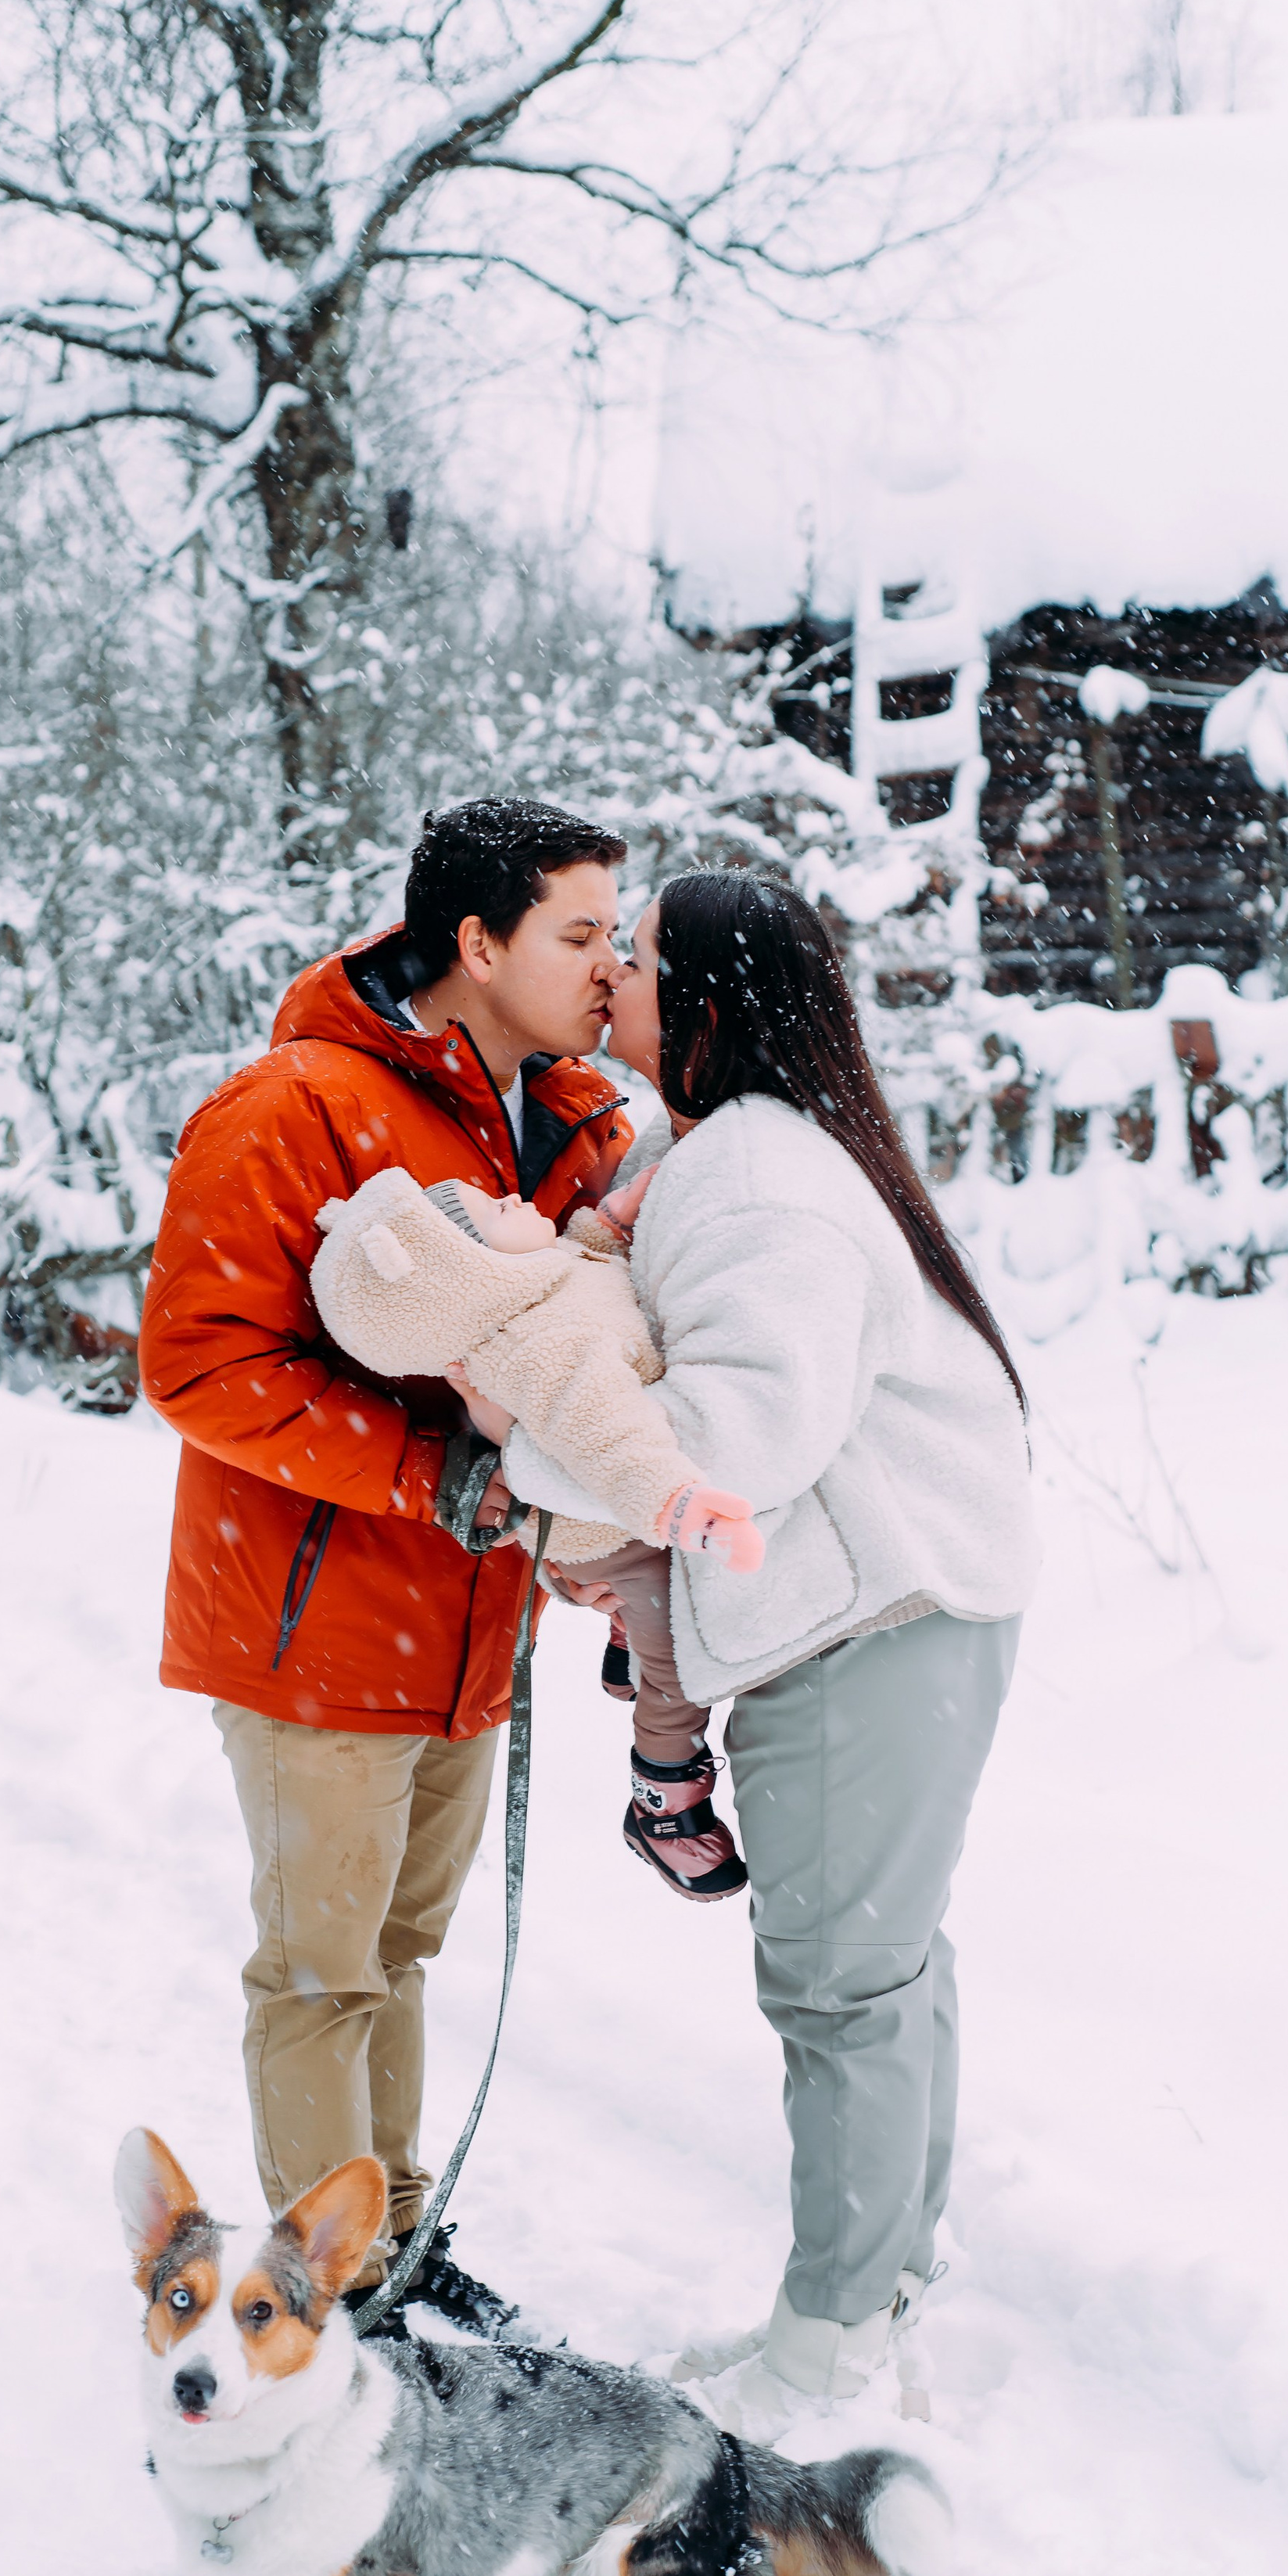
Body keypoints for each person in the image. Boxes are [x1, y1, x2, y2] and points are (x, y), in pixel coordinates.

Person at [530, 870, 1040, 2434]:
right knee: (882, 1967)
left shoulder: (752, 1175)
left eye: (637, 958)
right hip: (907, 1606)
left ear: (704, 999)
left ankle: (824, 2346)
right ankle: (874, 2288)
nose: (609, 976)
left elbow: (734, 1436)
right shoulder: (749, 1152)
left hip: (870, 1623)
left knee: (838, 1983)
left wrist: (526, 1455)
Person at [138, 799, 633, 2336]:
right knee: (319, 1972)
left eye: (617, 936)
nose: (609, 967)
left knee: (399, 1956)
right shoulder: (292, 1108)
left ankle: (394, 2246)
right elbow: (197, 1362)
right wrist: (430, 1474)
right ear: (476, 947)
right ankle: (317, 2293)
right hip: (312, 1626)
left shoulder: (553, 1124)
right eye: (577, 935)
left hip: (469, 1633)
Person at [306, 1160, 763, 1902]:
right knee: (680, 1651)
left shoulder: (542, 1282)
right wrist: (678, 1503)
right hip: (611, 1523)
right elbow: (606, 1437)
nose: (515, 1197)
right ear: (466, 1270)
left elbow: (588, 1266)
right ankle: (663, 1792)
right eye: (492, 1210)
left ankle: (625, 1647)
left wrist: (609, 1223)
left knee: (665, 1610)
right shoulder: (533, 1344)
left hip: (609, 1506)